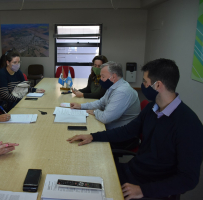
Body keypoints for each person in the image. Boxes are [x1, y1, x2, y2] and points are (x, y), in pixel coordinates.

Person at [67, 58, 203, 200]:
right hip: (134, 171)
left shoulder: (189, 124)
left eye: (145, 82)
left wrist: (143, 190)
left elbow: (188, 179)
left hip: (151, 187)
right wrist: (93, 136)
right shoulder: (152, 109)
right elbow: (126, 131)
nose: (142, 86)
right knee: (85, 172)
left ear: (158, 85)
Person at [70, 61, 140, 130]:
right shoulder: (113, 86)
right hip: (112, 127)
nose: (101, 79)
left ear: (113, 77)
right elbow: (101, 103)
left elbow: (105, 118)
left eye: (103, 76)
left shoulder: (122, 92)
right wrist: (81, 106)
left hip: (121, 134)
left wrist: (94, 112)